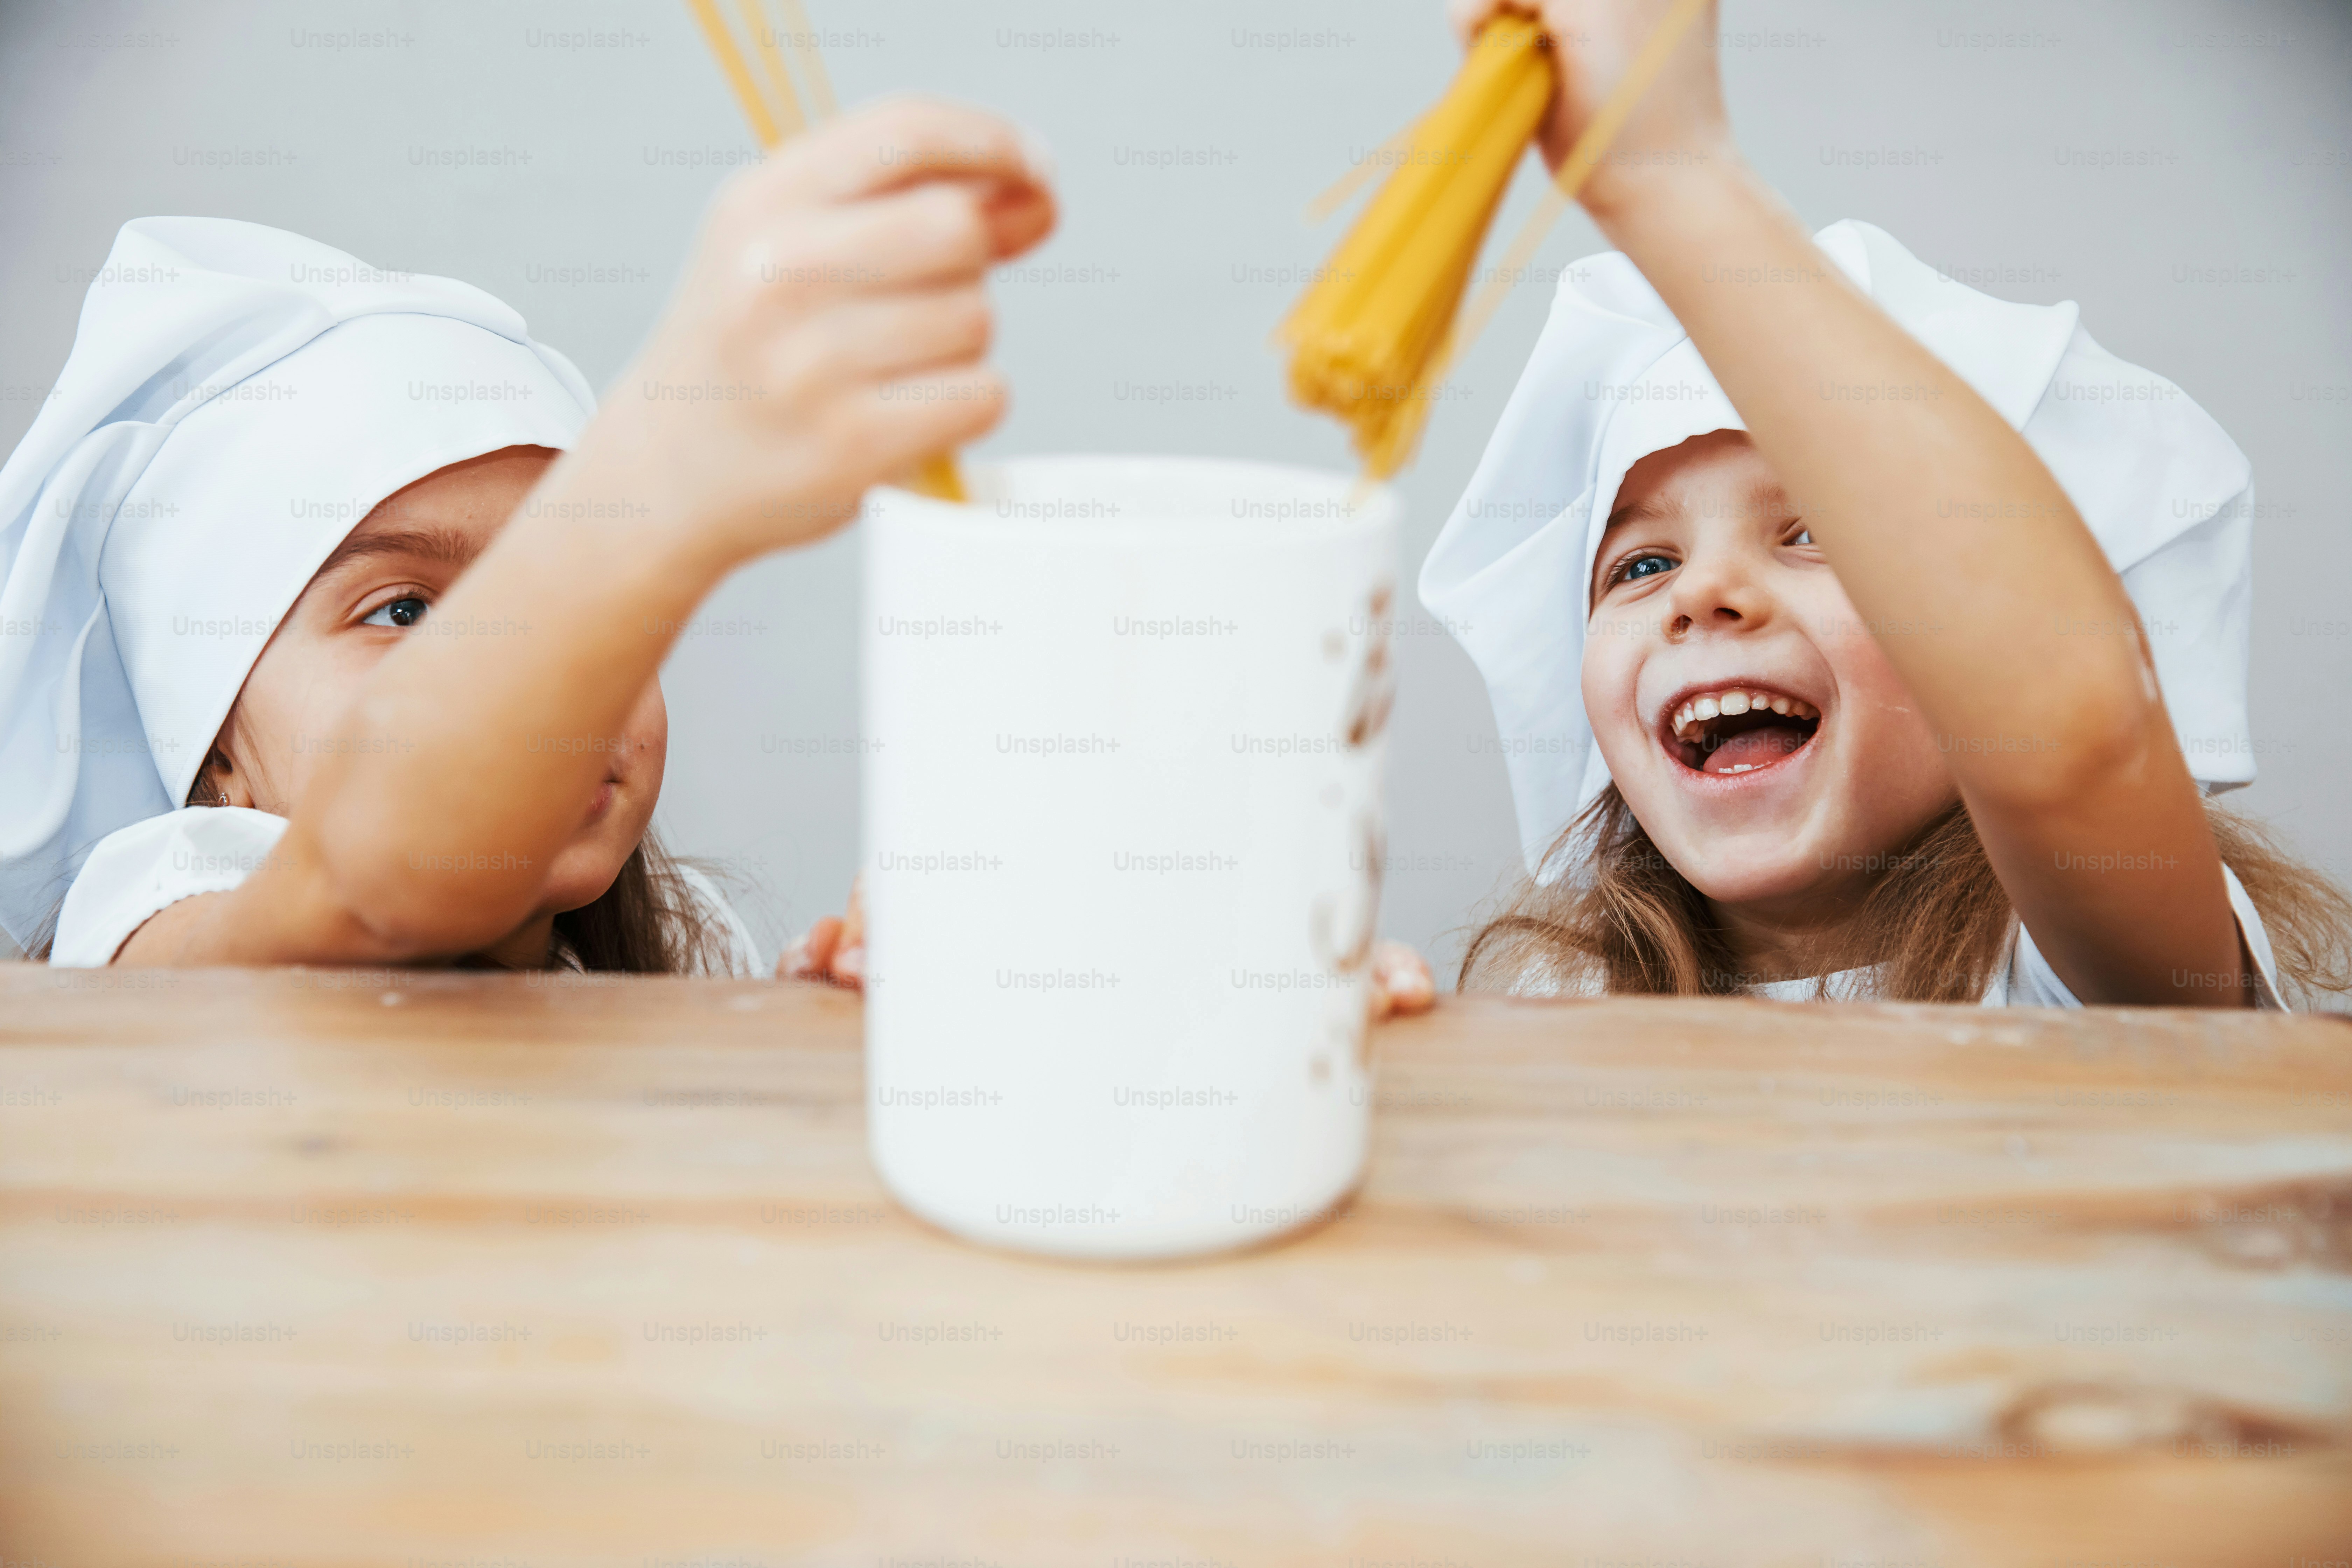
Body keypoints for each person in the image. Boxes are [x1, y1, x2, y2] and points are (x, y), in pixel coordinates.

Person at [1422, 0, 2349, 1005]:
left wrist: (1671, 177)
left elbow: (2069, 725)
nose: (1704, 594)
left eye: (1822, 532)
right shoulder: (1574, 1005)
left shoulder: (2085, 983)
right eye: (1642, 566)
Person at [2, 99, 1054, 972]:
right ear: (219, 751)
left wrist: (816, 1030)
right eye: (403, 610)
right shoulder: (160, 913)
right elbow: (379, 890)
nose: (543, 660)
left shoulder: (683, 951)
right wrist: (657, 485)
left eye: (556, 600)